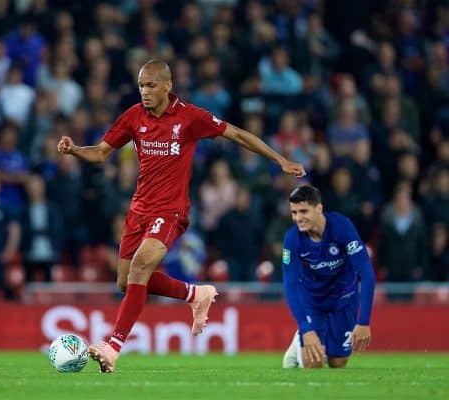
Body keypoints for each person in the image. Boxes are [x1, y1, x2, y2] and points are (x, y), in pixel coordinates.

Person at [57, 59, 306, 373]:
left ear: (166, 85)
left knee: (140, 266)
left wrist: (279, 159)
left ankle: (113, 345)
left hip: (170, 210)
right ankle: (194, 293)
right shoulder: (133, 117)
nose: (145, 92)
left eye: (150, 85)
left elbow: (238, 135)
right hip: (138, 211)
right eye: (141, 86)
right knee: (126, 281)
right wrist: (75, 149)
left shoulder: (189, 117)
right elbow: (101, 153)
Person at [281, 185, 375, 369]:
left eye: (303, 211)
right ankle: (302, 336)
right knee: (313, 362)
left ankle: (302, 339)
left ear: (319, 208)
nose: (298, 218)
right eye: (294, 212)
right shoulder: (292, 239)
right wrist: (305, 328)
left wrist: (363, 322)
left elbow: (367, 274)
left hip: (344, 300)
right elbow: (290, 285)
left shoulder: (342, 228)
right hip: (312, 302)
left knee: (338, 363)